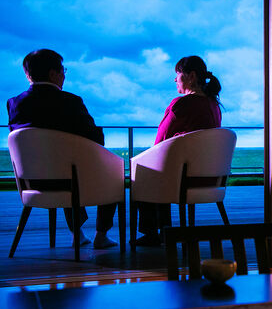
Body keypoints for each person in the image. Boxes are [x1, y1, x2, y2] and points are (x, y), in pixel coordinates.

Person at [7, 48, 117, 249]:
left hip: (33, 183)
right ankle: (101, 235)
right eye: (63, 71)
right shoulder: (71, 102)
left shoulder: (14, 104)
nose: (64, 75)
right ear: (53, 74)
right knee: (110, 174)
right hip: (71, 182)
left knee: (64, 166)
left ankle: (78, 233)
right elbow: (95, 139)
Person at [134, 55, 222, 246]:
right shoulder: (214, 105)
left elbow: (159, 142)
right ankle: (164, 231)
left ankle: (154, 232)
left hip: (182, 181)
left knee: (144, 171)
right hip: (211, 180)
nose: (175, 79)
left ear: (190, 76)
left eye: (177, 75)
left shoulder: (181, 104)